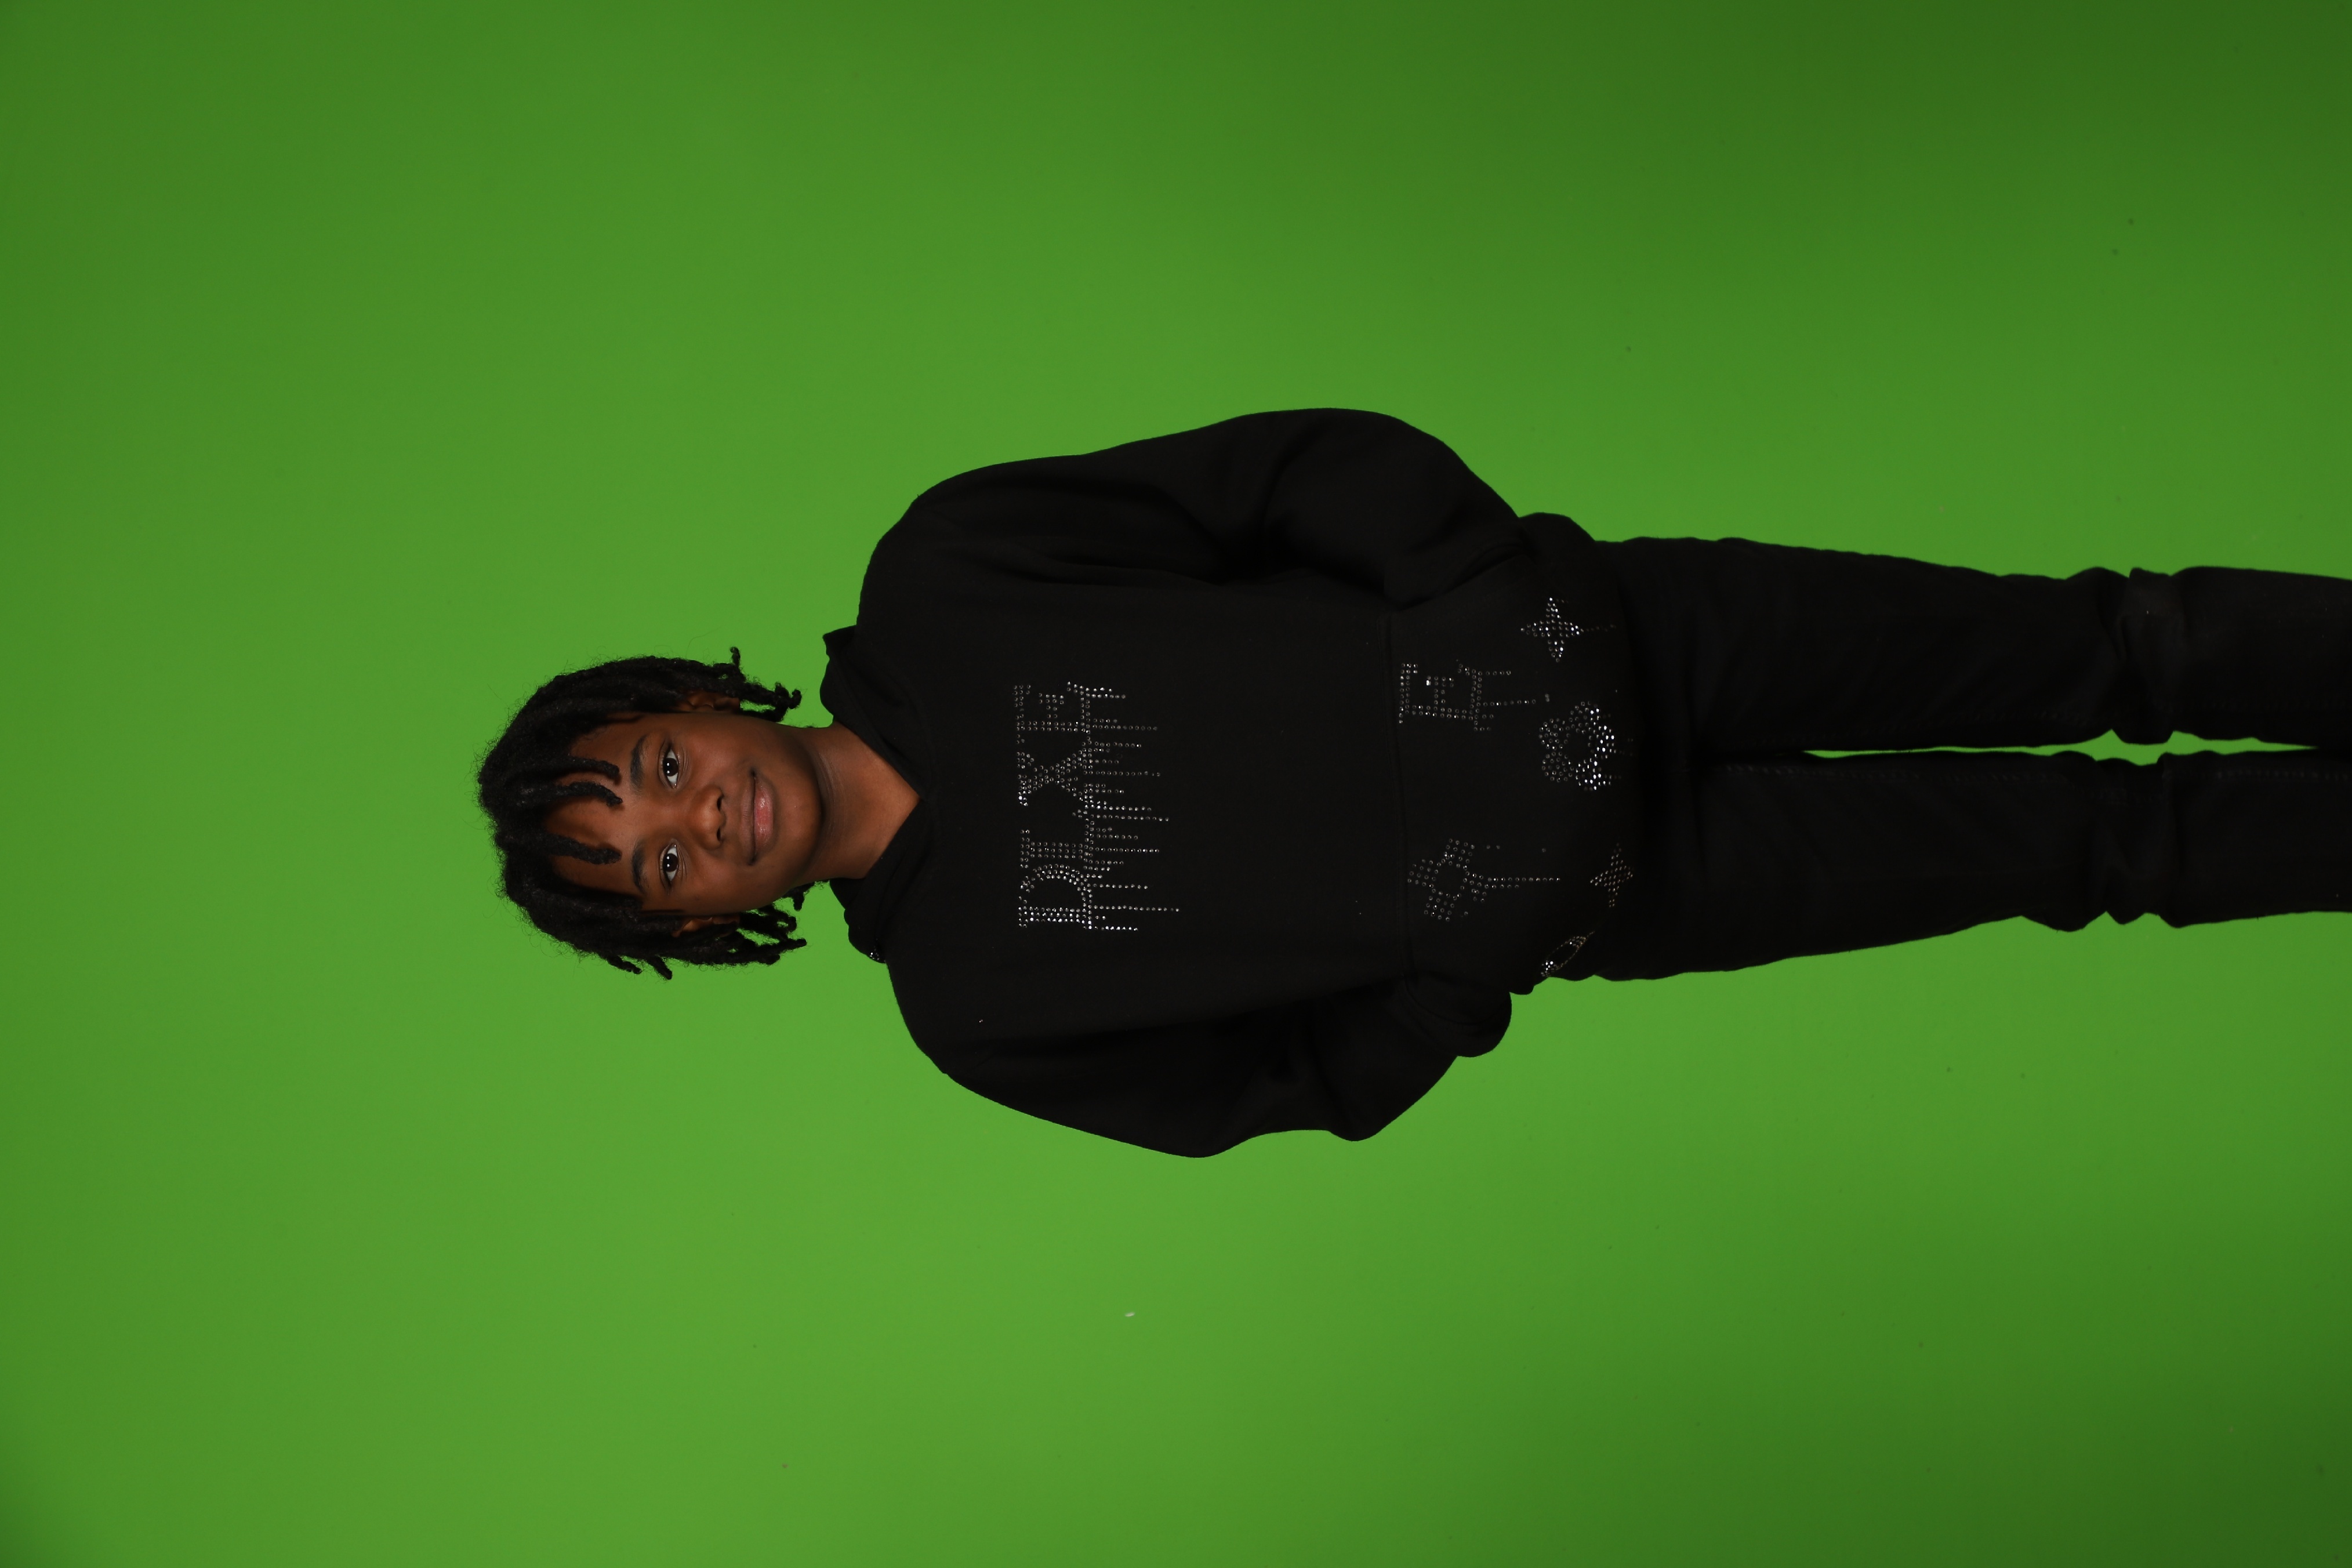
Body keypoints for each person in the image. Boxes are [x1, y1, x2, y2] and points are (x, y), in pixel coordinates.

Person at [477, 409, 2352, 1157]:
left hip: (1647, 636)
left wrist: (1484, 597)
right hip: (1656, 885)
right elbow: (1292, 1088)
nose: (698, 820)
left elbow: (1286, 472)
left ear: (693, 701)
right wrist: (1475, 956)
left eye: (660, 770)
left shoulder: (950, 572)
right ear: (705, 929)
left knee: (2115, 643)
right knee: (2105, 853)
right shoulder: (978, 1015)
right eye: (662, 868)